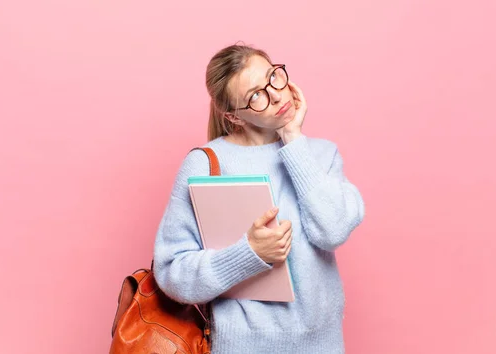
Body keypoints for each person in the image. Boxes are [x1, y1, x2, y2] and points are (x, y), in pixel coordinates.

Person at [153, 43, 365, 353]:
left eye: (273, 77)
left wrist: (293, 139)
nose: (276, 95)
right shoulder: (206, 164)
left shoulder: (320, 155)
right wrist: (248, 254)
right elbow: (172, 273)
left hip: (322, 346)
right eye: (255, 95)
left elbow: (332, 231)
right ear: (234, 117)